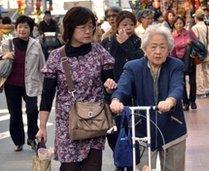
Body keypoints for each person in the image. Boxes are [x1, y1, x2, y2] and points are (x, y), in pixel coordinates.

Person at [35, 7, 116, 171]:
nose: (88, 31)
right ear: (71, 28)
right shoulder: (56, 57)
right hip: (67, 125)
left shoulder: (100, 52)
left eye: (91, 26)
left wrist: (110, 86)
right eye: (83, 27)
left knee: (92, 167)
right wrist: (42, 127)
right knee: (69, 168)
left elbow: (110, 83)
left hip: (95, 122)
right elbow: (47, 95)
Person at [110, 24, 187, 171]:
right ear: (145, 48)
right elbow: (123, 87)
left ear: (169, 49)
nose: (158, 52)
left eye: (163, 47)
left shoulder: (175, 65)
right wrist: (116, 100)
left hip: (173, 128)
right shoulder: (133, 67)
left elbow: (177, 87)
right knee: (141, 168)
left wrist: (170, 101)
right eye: (153, 47)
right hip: (142, 129)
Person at [101, 10, 144, 171]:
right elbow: (103, 67)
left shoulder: (137, 42)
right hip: (110, 94)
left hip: (131, 95)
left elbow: (139, 63)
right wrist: (106, 82)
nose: (128, 28)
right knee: (112, 132)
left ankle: (129, 164)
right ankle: (119, 158)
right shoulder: (108, 42)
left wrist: (126, 43)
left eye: (131, 25)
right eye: (124, 24)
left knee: (129, 131)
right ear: (117, 25)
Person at [0, 15, 45, 152]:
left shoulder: (36, 44)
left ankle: (32, 137)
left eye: (26, 27)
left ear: (31, 29)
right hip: (11, 85)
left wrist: (46, 84)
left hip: (30, 83)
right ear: (16, 28)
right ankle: (18, 141)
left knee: (32, 110)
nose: (23, 29)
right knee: (15, 113)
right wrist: (3, 56)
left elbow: (42, 66)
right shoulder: (8, 43)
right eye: (20, 26)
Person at [171, 16, 198, 111]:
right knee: (181, 83)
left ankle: (193, 101)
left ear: (183, 23)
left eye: (180, 23)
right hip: (178, 60)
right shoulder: (172, 35)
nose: (179, 25)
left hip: (190, 59)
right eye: (176, 23)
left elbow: (196, 43)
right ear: (174, 25)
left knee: (192, 82)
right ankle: (185, 102)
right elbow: (172, 49)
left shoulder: (189, 33)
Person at [192, 8, 209, 98]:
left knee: (199, 72)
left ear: (196, 18)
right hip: (208, 52)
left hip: (198, 54)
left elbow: (193, 42)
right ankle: (208, 89)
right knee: (206, 71)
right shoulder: (208, 28)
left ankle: (200, 91)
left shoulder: (194, 28)